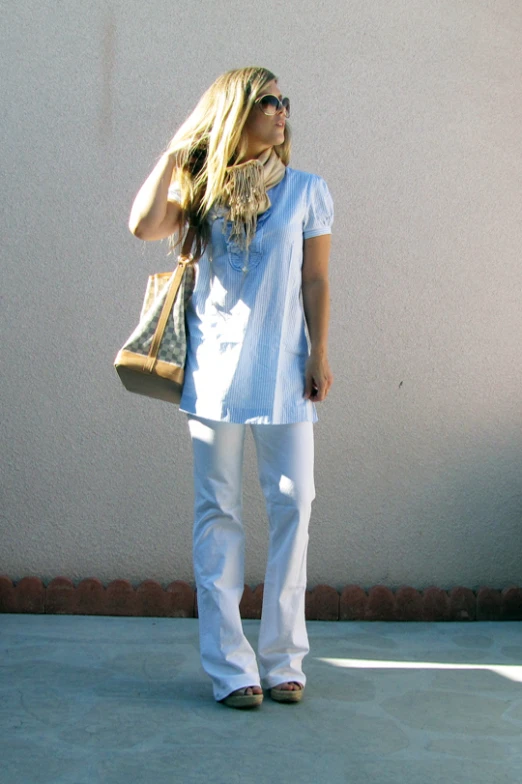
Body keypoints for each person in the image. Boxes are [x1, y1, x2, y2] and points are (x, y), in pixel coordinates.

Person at [128, 66, 333, 709]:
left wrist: (320, 351)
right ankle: (231, 668)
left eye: (284, 102)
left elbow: (317, 280)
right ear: (237, 111)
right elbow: (142, 225)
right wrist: (176, 148)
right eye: (267, 101)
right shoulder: (206, 189)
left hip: (285, 369)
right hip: (214, 372)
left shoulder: (306, 190)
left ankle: (283, 658)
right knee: (218, 512)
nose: (281, 111)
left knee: (294, 504)